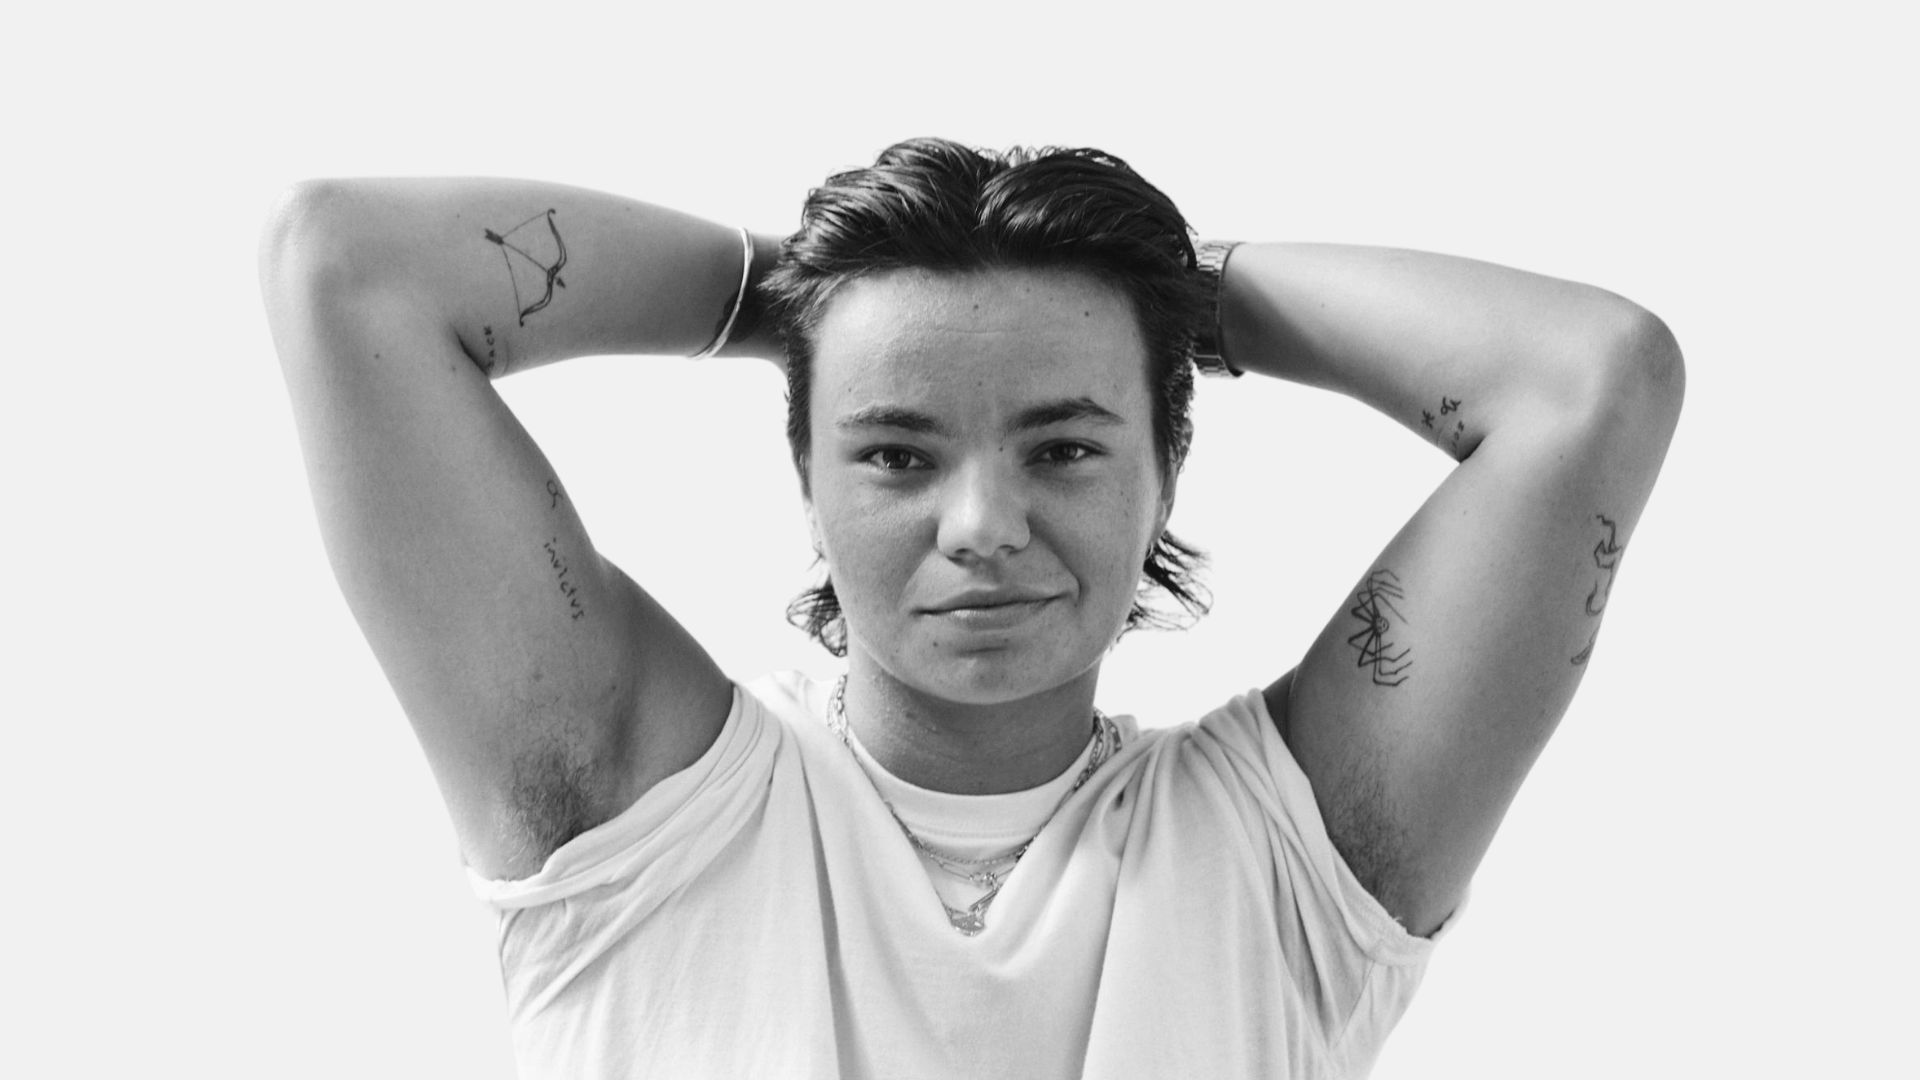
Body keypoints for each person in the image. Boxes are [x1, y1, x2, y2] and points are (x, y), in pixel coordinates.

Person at [259, 138, 1683, 1078]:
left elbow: (1589, 377)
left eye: (1063, 446)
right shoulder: (632, 819)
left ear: (1166, 470)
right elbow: (349, 269)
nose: (984, 525)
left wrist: (1163, 295)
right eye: (897, 449)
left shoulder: (1293, 862)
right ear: (804, 474)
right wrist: (800, 296)